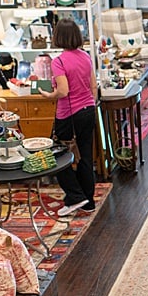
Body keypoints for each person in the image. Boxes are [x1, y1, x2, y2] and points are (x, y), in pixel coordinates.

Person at [40, 19, 97, 216]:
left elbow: (63, 91)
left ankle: (74, 196)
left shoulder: (59, 61)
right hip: (89, 109)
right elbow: (93, 87)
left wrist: (49, 95)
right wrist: (88, 104)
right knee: (85, 156)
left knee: (58, 156)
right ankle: (88, 202)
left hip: (69, 115)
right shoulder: (86, 56)